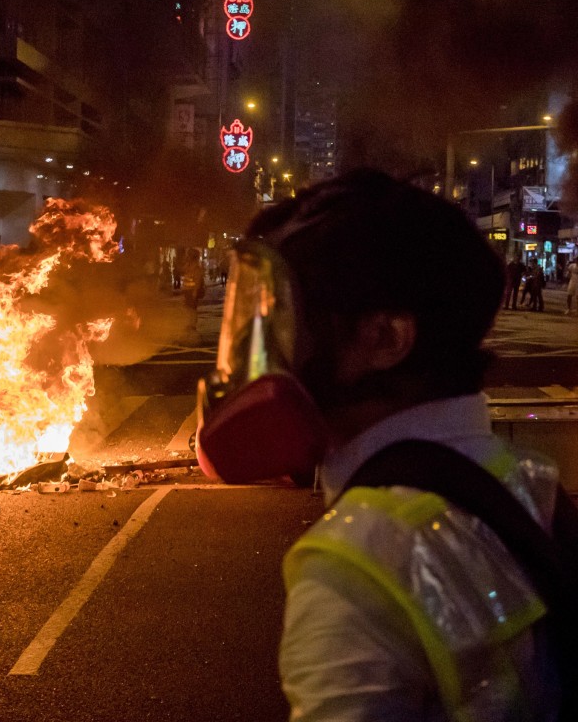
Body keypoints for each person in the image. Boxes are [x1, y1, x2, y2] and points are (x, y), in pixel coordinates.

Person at [195, 169, 562, 722]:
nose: (260, 350)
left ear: (386, 338)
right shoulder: (528, 480)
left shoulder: (357, 566)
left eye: (282, 318)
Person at [181, 248, 205, 329]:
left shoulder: (196, 268)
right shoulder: (189, 265)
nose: (187, 257)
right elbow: (183, 270)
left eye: (189, 255)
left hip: (192, 290)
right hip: (187, 290)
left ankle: (192, 324)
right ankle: (190, 323)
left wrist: (195, 291)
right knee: (188, 308)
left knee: (192, 308)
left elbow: (197, 281)